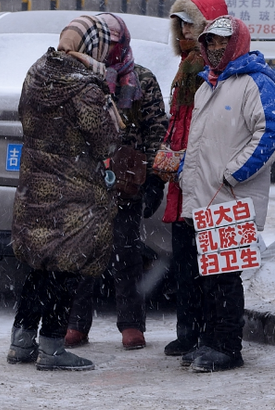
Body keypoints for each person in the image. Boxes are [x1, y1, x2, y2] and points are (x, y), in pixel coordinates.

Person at [6, 13, 136, 371]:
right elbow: (106, 141)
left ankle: (21, 342)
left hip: (35, 189)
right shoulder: (85, 87)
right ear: (95, 46)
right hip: (73, 196)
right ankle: (52, 348)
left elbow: (26, 117)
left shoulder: (36, 72)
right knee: (66, 270)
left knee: (38, 267)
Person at [177, 14, 275, 372]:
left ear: (237, 42)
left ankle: (227, 346)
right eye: (209, 41)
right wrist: (184, 174)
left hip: (231, 199)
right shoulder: (208, 84)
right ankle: (210, 341)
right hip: (205, 198)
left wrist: (233, 173)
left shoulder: (254, 83)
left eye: (222, 41)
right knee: (207, 277)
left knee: (224, 278)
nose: (214, 48)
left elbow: (272, 131)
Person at [63, 37, 168, 351]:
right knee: (80, 254)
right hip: (85, 180)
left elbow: (155, 129)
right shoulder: (81, 80)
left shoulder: (142, 79)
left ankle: (132, 324)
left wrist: (152, 177)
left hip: (126, 181)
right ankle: (76, 323)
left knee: (127, 255)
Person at [160, 0, 230, 358]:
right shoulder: (186, 65)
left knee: (207, 261)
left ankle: (203, 334)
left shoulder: (208, 70)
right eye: (180, 24)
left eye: (190, 23)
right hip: (183, 174)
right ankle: (188, 331)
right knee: (186, 258)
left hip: (204, 174)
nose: (184, 30)